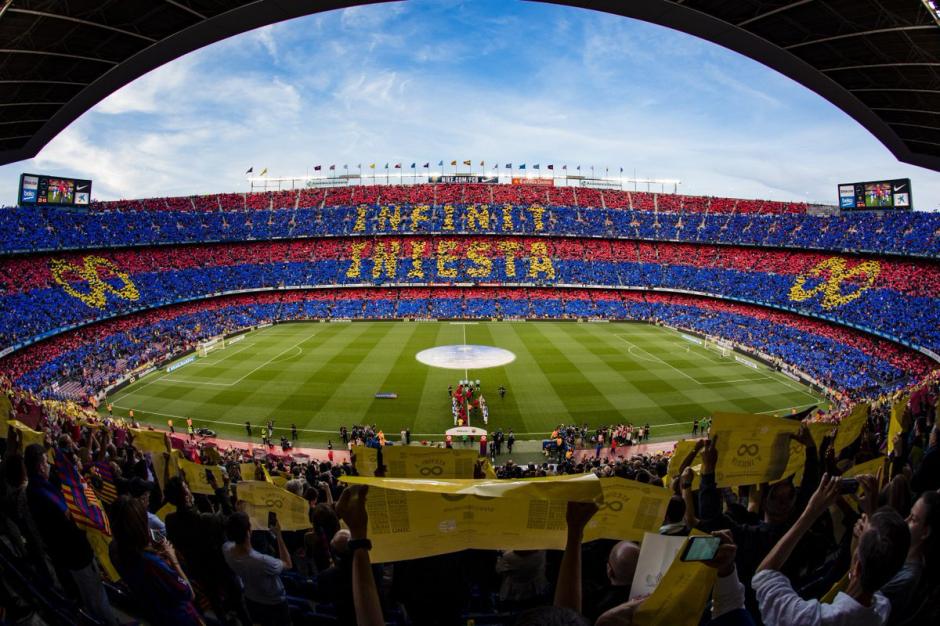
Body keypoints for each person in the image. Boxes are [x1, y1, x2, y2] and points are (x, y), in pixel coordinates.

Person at [754, 474, 910, 626]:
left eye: (857, 535)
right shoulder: (882, 609)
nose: (857, 528)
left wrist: (811, 512)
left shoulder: (806, 619)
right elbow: (882, 555)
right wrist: (871, 513)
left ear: (857, 567)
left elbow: (764, 575)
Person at [23, 444, 119, 626]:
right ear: (39, 466)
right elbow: (68, 519)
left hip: (65, 553)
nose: (48, 464)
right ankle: (109, 621)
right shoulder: (43, 493)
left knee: (89, 592)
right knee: (94, 592)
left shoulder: (36, 488)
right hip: (76, 553)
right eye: (45, 461)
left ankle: (98, 617)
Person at [109, 495, 203, 625]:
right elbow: (189, 594)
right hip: (179, 617)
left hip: (154, 614)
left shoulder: (114, 550)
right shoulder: (152, 563)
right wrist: (173, 559)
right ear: (140, 525)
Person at [223, 511, 292, 626]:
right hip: (274, 603)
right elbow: (288, 564)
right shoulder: (263, 561)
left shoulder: (226, 549)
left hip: (251, 599)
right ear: (248, 532)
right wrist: (279, 535)